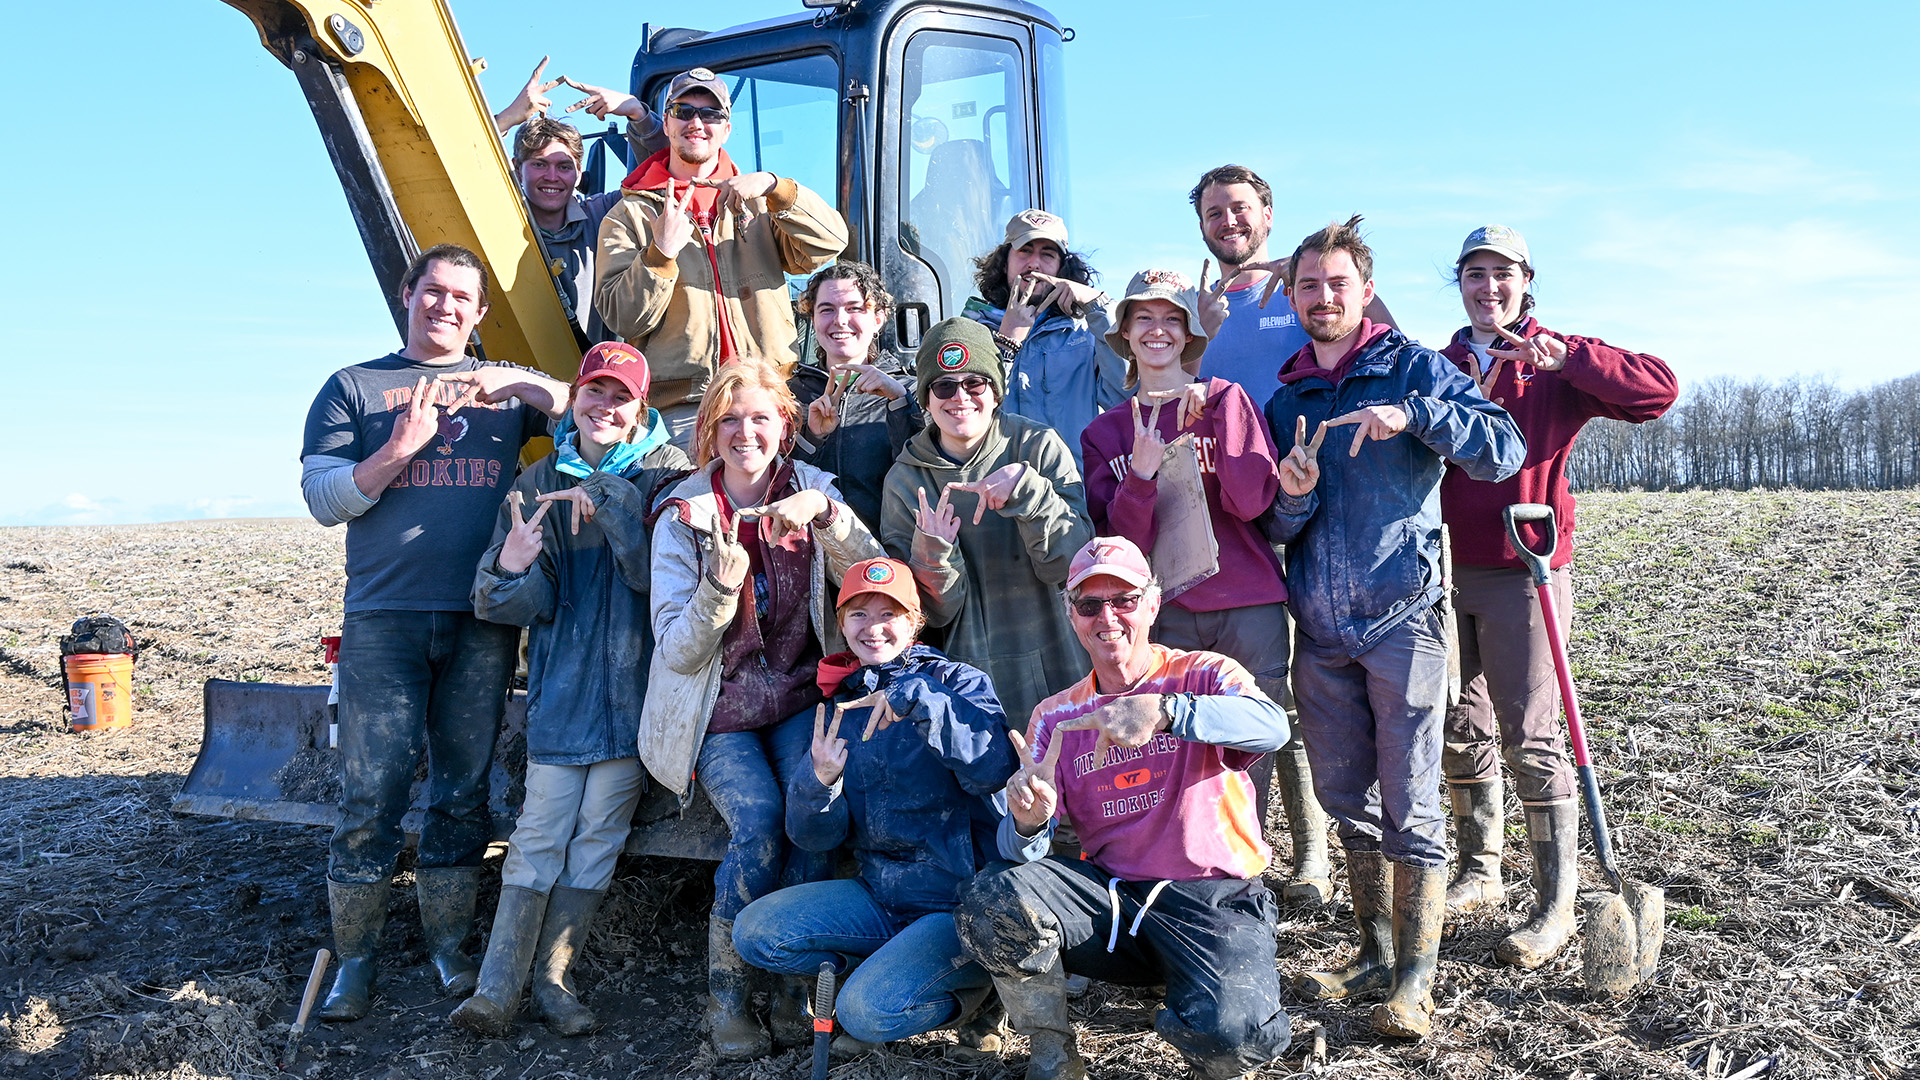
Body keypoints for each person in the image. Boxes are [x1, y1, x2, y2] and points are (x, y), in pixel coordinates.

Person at [1260, 218, 1524, 1039]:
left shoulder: (1414, 368)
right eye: (1309, 286)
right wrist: (1295, 492)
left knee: (1412, 797)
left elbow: (1503, 451)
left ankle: (1417, 979)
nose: (1324, 297)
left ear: (1364, 291)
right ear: (1294, 297)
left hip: (1402, 616)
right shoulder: (1288, 395)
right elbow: (1276, 522)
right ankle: (1372, 948)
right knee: (1345, 793)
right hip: (1321, 629)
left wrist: (1414, 415)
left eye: (1338, 283)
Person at [298, 244, 573, 1021]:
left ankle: (450, 946)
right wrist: (396, 451)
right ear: (407, 294)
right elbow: (324, 500)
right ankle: (356, 961)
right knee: (371, 790)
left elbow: (587, 406)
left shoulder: (501, 391)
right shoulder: (355, 386)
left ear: (479, 313)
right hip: (384, 618)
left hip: (483, 620)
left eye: (462, 297)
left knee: (462, 791)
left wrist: (519, 378)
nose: (445, 307)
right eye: (433, 292)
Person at [954, 537, 1296, 1080]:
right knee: (991, 895)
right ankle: (1053, 1053)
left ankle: (1196, 994)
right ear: (1072, 615)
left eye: (1124, 600)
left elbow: (1273, 727)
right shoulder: (1055, 715)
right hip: (1114, 900)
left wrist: (1167, 711)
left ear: (1153, 605)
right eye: (1089, 605)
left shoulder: (1202, 673)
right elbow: (1021, 849)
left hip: (1212, 896)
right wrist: (1029, 820)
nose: (1107, 617)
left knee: (1232, 1042)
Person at [1435, 225, 1678, 967]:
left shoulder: (1554, 361)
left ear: (1525, 280)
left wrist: (1571, 358)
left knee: (1532, 734)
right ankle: (1480, 869)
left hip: (1525, 569)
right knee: (1458, 723)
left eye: (1502, 274)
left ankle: (1556, 903)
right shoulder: (1439, 362)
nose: (1488, 288)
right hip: (1445, 572)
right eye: (1475, 275)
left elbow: (1656, 392)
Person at [638, 358, 883, 1060]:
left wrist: (828, 517)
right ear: (711, 430)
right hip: (719, 709)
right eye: (731, 418)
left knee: (813, 815)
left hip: (800, 696)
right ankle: (730, 999)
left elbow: (872, 574)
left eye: (761, 417)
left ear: (785, 425)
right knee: (757, 822)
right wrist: (719, 586)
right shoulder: (683, 517)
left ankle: (791, 989)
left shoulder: (812, 492)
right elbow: (678, 651)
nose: (746, 431)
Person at [451, 343, 690, 1037]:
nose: (606, 407)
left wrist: (613, 507)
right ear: (575, 397)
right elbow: (507, 606)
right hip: (561, 696)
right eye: (595, 391)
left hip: (633, 698)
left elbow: (658, 581)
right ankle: (496, 991)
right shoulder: (535, 482)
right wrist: (510, 566)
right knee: (538, 836)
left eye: (621, 397)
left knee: (598, 840)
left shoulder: (667, 477)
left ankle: (555, 983)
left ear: (641, 409)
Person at [1078, 269, 1332, 904]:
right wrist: (1140, 475)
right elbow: (1124, 547)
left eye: (1172, 319)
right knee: (1184, 747)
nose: (1157, 330)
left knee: (1265, 731)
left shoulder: (1227, 399)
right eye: (1143, 319)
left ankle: (1288, 864)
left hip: (1247, 603)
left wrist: (1217, 421)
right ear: (1126, 336)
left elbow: (1251, 502)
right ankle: (1200, 871)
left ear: (1191, 333)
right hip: (1168, 618)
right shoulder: (1104, 433)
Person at [731, 557, 1018, 1058]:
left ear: (915, 621)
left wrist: (917, 699)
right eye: (858, 614)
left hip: (959, 904)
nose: (873, 627)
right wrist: (818, 785)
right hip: (880, 895)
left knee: (865, 1014)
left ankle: (978, 995)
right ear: (841, 625)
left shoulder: (959, 683)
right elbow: (815, 837)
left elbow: (993, 769)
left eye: (889, 613)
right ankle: (891, 971)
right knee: (757, 934)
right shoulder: (838, 703)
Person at [595, 68, 850, 444]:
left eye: (710, 114)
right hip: (685, 415)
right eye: (683, 111)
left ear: (727, 128)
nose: (696, 122)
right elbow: (623, 317)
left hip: (771, 401)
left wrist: (776, 186)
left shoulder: (764, 202)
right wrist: (660, 253)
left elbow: (830, 242)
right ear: (666, 123)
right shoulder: (629, 216)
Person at [879, 317, 1094, 730]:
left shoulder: (1038, 446)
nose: (960, 397)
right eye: (943, 386)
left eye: (974, 384)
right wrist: (933, 554)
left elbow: (1070, 568)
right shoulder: (906, 480)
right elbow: (929, 617)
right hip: (971, 689)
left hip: (1062, 668)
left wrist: (1029, 494)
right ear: (925, 398)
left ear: (995, 392)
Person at [490, 59, 665, 345]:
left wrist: (636, 111)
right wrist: (506, 118)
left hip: (591, 383)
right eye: (539, 164)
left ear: (579, 172)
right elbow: (453, 173)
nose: (552, 177)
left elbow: (664, 175)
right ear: (516, 168)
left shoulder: (602, 217)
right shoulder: (495, 219)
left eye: (563, 166)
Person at [1187, 165, 1395, 406]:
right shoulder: (1187, 311)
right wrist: (1196, 334)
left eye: (1239, 208)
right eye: (1214, 214)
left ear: (1267, 216)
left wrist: (1305, 276)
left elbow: (1397, 350)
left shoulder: (1312, 294)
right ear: (1202, 228)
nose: (1229, 221)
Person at [963, 209, 1125, 470]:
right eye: (1024, 250)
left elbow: (1124, 396)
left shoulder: (1084, 335)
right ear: (1004, 261)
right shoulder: (970, 329)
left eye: (1047, 255)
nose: (1034, 264)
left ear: (1063, 268)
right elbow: (959, 415)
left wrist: (1098, 307)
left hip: (1069, 496)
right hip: (994, 496)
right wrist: (1006, 342)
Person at [789, 261, 923, 532]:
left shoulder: (914, 391)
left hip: (887, 557)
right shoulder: (790, 394)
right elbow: (776, 483)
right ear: (812, 319)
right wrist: (813, 437)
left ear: (878, 318)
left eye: (854, 308)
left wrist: (900, 404)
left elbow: (925, 479)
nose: (839, 320)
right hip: (809, 556)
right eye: (826, 309)